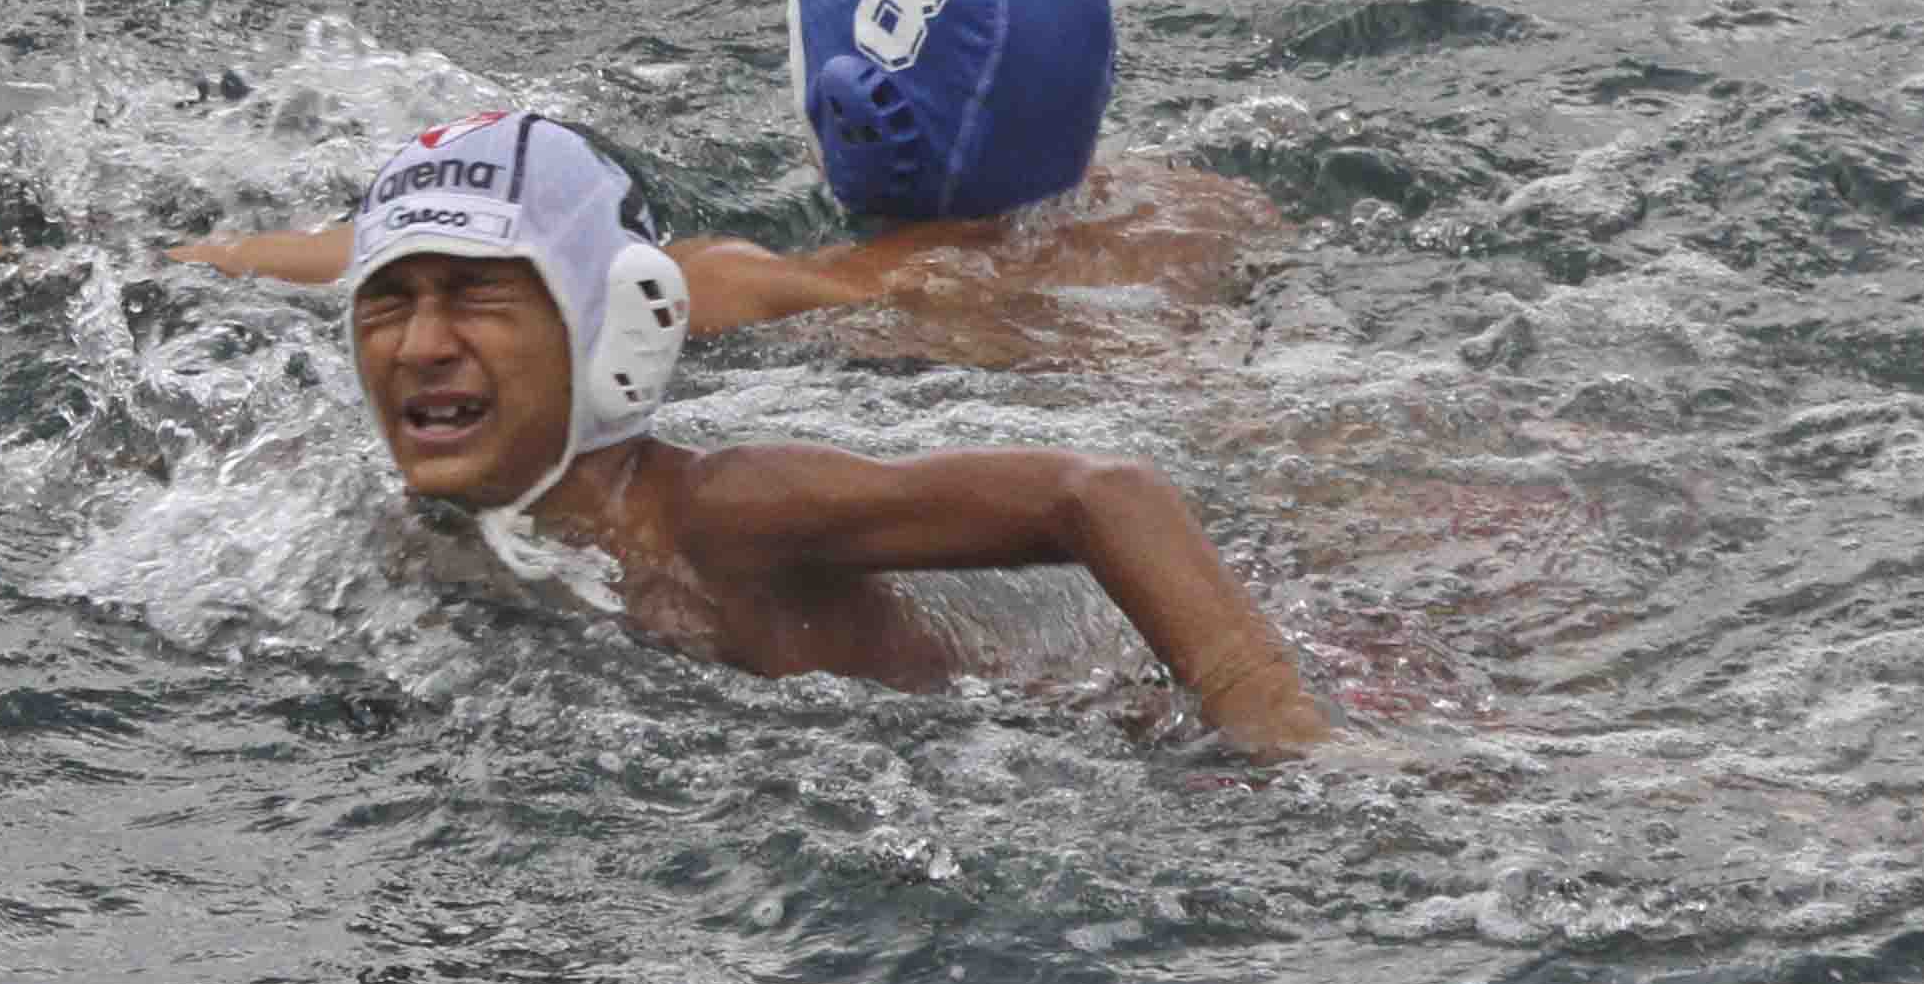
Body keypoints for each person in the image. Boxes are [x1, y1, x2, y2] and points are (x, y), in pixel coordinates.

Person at [336, 109, 1335, 749]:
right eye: (388, 302)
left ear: (613, 320)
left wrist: (1279, 733)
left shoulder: (720, 513)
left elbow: (1102, 493)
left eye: (475, 296)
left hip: (1085, 729)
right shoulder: (374, 531)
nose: (421, 345)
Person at [162, 0, 1269, 358]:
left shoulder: (788, 291)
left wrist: (194, 259)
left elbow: (488, 253)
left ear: (847, 110)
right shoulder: (1199, 215)